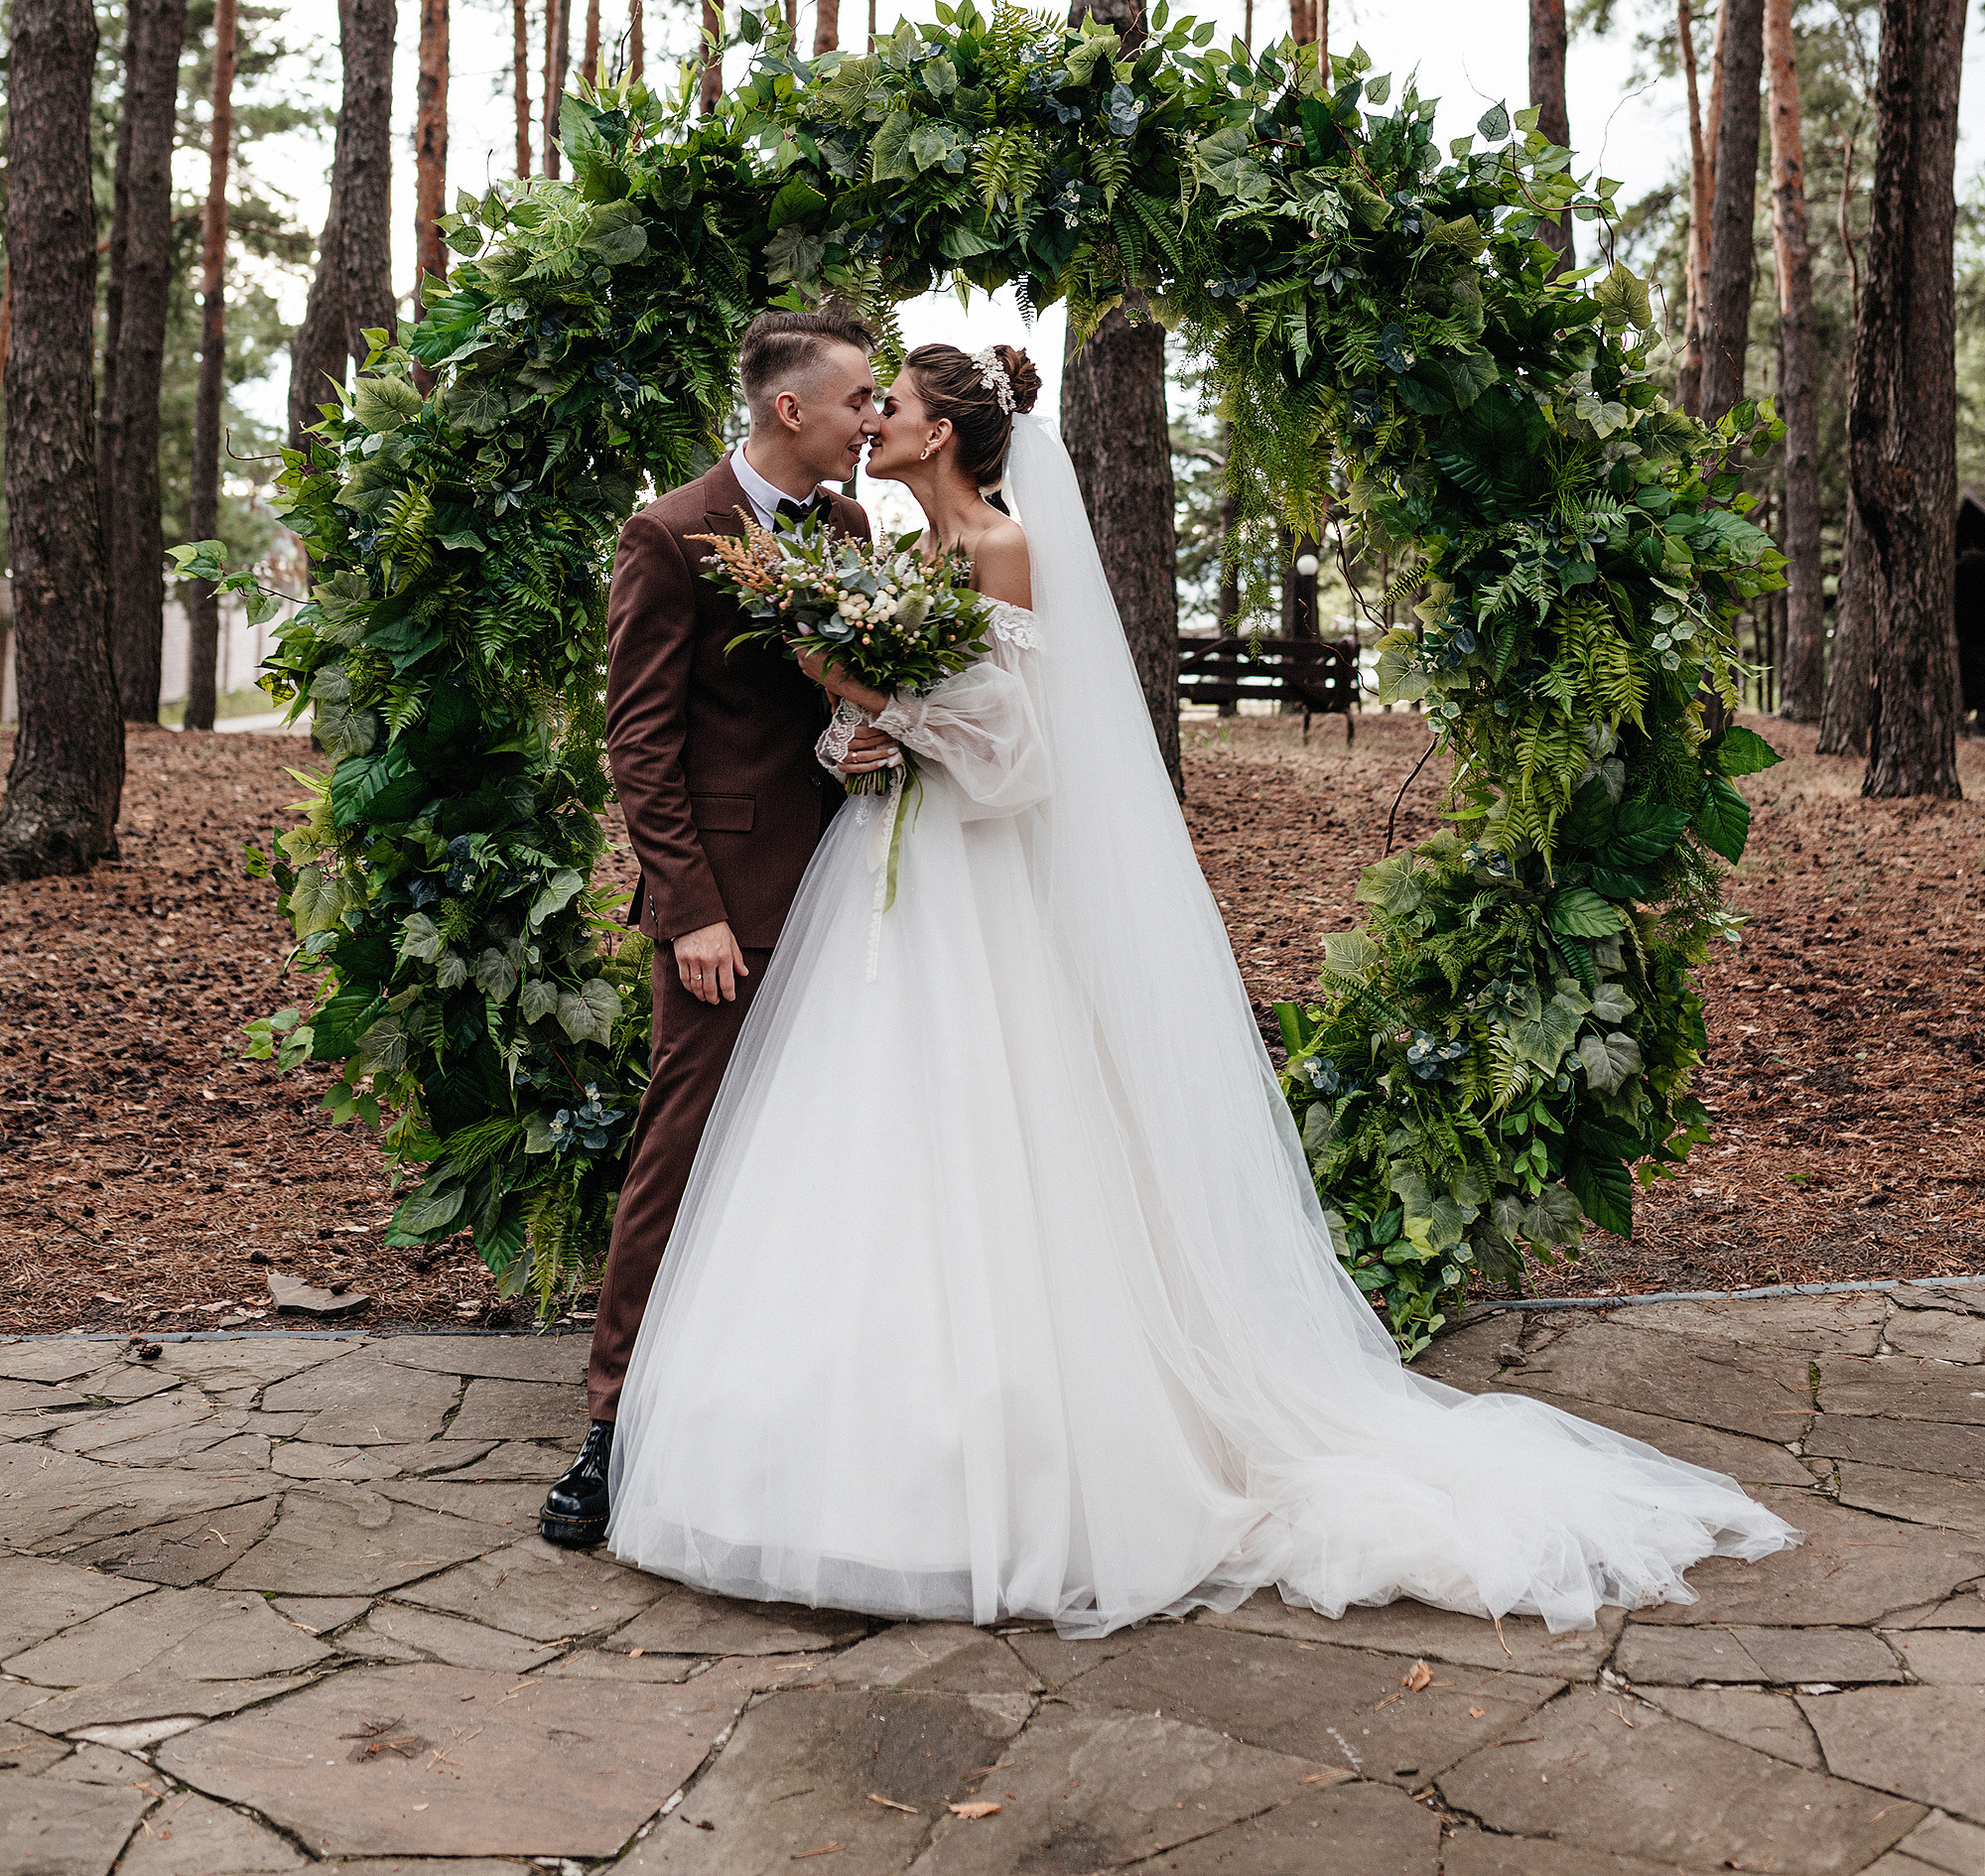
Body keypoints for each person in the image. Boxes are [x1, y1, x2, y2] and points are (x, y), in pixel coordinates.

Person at [605, 343, 1798, 1636]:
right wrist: (861, 725)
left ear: (940, 432)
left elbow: (1020, 756)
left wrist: (870, 696)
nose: (870, 422)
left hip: (972, 879)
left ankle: (1012, 1453)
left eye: (887, 405)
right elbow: (821, 733)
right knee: (866, 1137)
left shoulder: (1000, 548)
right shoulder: (880, 547)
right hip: (877, 875)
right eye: (862, 401)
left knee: (995, 1132)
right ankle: (825, 1429)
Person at [539, 307, 892, 1547]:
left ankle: (773, 1408)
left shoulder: (848, 529)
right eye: (857, 400)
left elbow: (834, 707)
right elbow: (639, 741)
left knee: (819, 1154)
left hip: (848, 888)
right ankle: (613, 1423)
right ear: (789, 408)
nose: (870, 421)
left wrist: (867, 742)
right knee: (680, 1152)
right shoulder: (669, 531)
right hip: (726, 911)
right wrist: (689, 911)